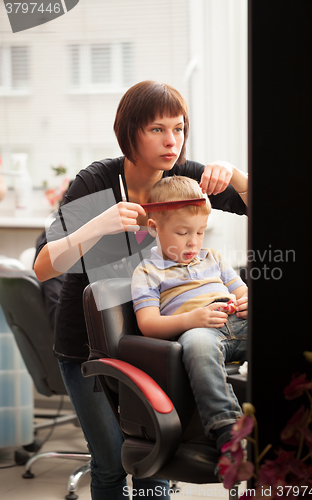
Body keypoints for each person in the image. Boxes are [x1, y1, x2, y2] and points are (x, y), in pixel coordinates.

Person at [34, 80, 248, 499]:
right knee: (112, 464)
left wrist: (237, 175)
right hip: (89, 348)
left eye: (180, 128)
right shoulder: (95, 182)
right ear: (130, 131)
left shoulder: (182, 177)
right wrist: (99, 223)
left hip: (156, 343)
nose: (172, 141)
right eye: (157, 129)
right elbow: (44, 266)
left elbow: (281, 205)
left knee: (154, 461)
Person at [131, 176, 248, 453]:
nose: (193, 242)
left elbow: (242, 292)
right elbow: (148, 324)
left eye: (200, 232)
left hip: (237, 321)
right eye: (183, 233)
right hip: (200, 331)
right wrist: (191, 319)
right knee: (196, 346)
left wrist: (246, 302)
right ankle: (226, 431)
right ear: (154, 228)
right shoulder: (147, 273)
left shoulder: (213, 258)